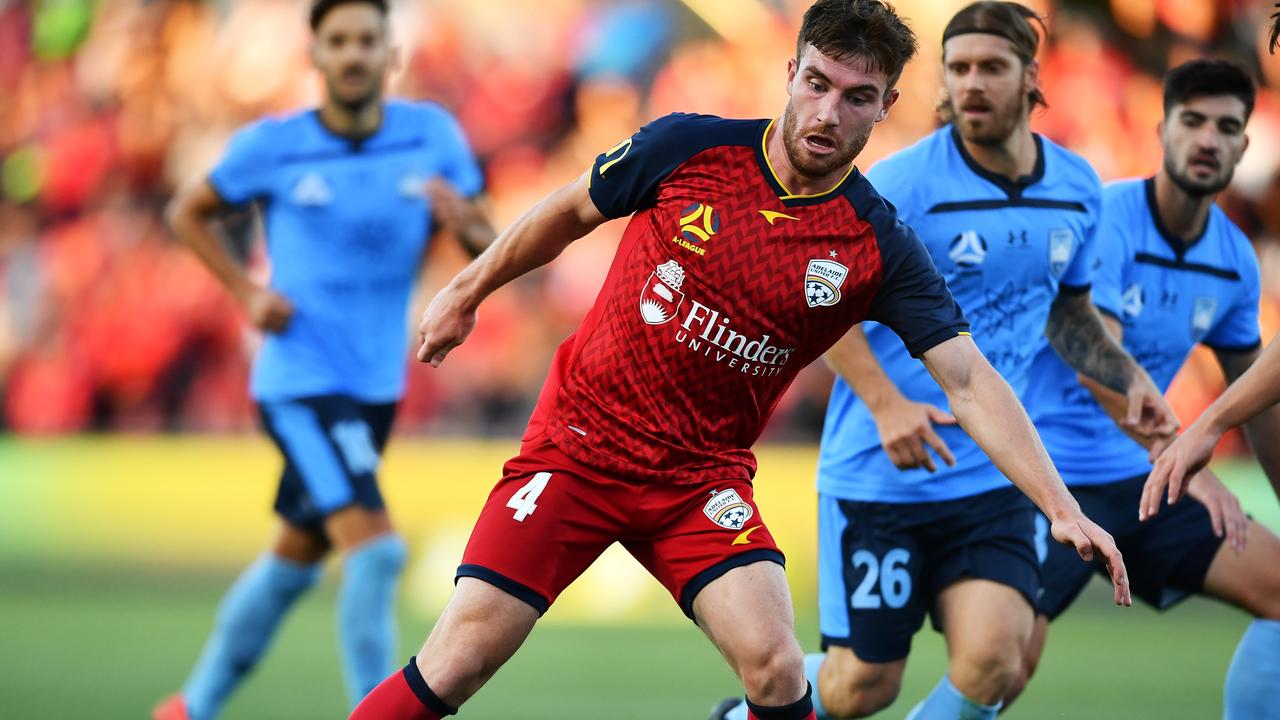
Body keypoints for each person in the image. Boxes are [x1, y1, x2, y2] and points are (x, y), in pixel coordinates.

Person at [350, 2, 1129, 719]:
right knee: (459, 661)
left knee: (779, 672)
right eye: (818, 83)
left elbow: (967, 377)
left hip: (700, 481)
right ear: (790, 74)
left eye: (858, 97)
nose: (828, 113)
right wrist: (466, 287)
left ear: (886, 108)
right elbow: (568, 211)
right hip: (580, 450)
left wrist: (1061, 506)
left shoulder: (877, 243)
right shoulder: (689, 148)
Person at [718, 5, 1175, 720]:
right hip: (882, 472)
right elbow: (818, 293)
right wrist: (885, 402)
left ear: (1031, 77)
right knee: (862, 688)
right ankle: (743, 713)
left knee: (998, 660)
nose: (971, 84)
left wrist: (1128, 380)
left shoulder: (1080, 187)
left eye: (990, 68)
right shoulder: (901, 186)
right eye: (957, 69)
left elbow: (1069, 310)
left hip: (990, 473)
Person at [154, 1, 493, 718]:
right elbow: (186, 209)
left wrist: (471, 227)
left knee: (293, 563)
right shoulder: (274, 146)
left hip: (376, 389)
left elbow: (487, 242)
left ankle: (191, 709)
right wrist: (246, 292)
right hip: (300, 384)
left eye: (367, 40)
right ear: (314, 56)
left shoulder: (430, 137)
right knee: (376, 555)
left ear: (389, 55)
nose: (352, 55)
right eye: (337, 41)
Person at [1021, 60, 1280, 720]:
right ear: (1161, 130)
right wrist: (1188, 459)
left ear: (1244, 146)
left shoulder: (1235, 260)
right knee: (998, 666)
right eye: (1192, 122)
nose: (1208, 140)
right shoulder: (1106, 217)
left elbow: (1259, 396)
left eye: (1226, 127)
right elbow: (1096, 363)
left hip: (1141, 482)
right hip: (1049, 477)